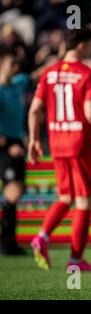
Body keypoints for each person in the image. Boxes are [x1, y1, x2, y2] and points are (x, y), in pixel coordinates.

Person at [28, 28, 91, 271]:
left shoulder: (49, 73)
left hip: (56, 143)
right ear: (82, 45)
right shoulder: (87, 74)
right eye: (90, 46)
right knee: (85, 201)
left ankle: (42, 236)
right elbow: (90, 114)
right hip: (79, 143)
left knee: (66, 197)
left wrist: (34, 139)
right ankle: (75, 260)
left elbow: (34, 109)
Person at [0, 50, 28, 255]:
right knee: (12, 190)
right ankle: (5, 243)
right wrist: (8, 145)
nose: (15, 68)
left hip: (17, 141)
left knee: (17, 189)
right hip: (5, 143)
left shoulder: (17, 84)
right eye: (12, 64)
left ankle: (10, 243)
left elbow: (36, 75)